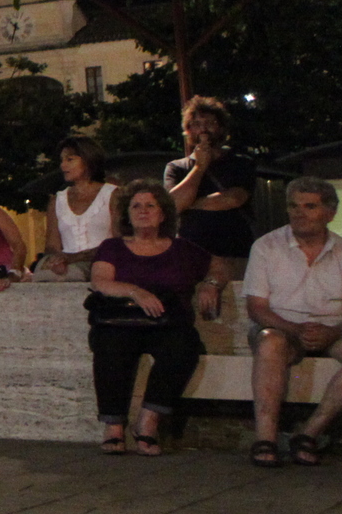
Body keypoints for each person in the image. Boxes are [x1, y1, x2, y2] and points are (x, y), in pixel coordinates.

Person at [245, 176, 342, 467]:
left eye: (309, 206)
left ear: (330, 213)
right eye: (294, 206)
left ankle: (309, 433)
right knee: (270, 342)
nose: (299, 213)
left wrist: (335, 332)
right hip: (282, 327)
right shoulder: (266, 247)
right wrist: (295, 329)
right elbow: (256, 308)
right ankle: (265, 438)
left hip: (333, 329)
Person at [86, 180, 225, 456]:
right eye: (136, 205)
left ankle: (148, 421)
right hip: (120, 320)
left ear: (163, 214)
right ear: (127, 214)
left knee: (183, 349)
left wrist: (211, 284)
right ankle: (113, 427)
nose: (143, 210)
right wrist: (136, 292)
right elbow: (100, 281)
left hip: (167, 322)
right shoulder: (112, 247)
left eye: (151, 205)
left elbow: (218, 264)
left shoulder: (182, 248)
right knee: (111, 348)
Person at [166, 97, 256, 277]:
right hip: (190, 256)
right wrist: (199, 168)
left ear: (222, 128)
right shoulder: (176, 167)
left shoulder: (241, 163)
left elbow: (233, 199)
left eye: (210, 123)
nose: (203, 129)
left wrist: (190, 203)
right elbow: (173, 204)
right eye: (197, 123)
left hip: (234, 254)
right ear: (188, 130)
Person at [33, 136, 117, 279]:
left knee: (75, 274)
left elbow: (118, 241)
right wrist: (56, 259)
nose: (63, 166)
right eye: (62, 161)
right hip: (66, 265)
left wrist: (77, 257)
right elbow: (52, 245)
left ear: (88, 160)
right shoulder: (57, 200)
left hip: (104, 263)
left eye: (70, 160)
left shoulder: (113, 195)